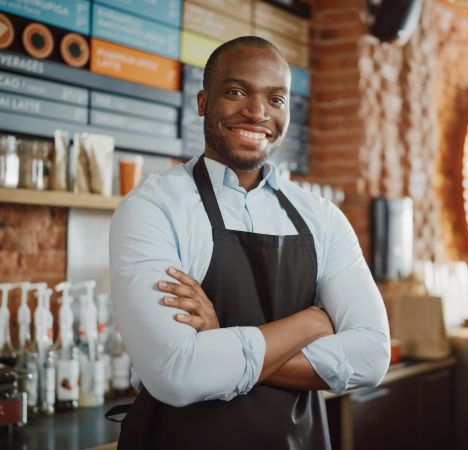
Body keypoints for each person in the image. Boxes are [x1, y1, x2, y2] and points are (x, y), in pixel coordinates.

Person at [109, 36, 390, 450]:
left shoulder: (322, 217)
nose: (258, 112)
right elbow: (177, 371)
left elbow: (371, 356)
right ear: (203, 102)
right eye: (237, 92)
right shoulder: (153, 208)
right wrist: (311, 323)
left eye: (276, 99)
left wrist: (222, 336)